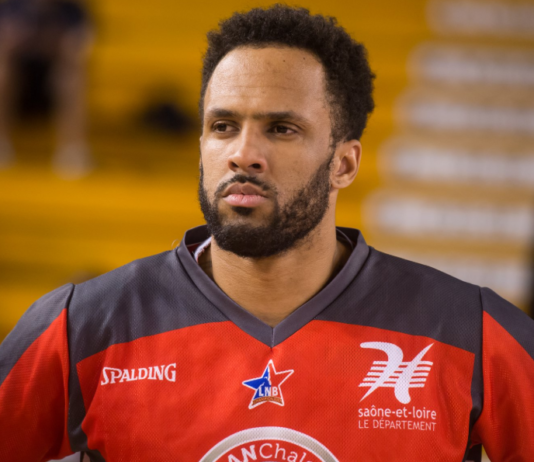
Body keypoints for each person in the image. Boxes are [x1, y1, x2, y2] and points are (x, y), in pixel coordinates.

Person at [0, 5, 533, 461]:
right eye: (223, 126)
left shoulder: (470, 329)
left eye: (281, 129)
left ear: (344, 164)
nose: (243, 154)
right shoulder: (81, 325)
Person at [0, 0, 93, 178]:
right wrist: (12, 43)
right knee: (1, 70)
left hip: (50, 90)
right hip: (17, 91)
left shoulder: (73, 12)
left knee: (72, 75)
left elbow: (80, 53)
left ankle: (72, 150)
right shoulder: (9, 10)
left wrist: (53, 45)